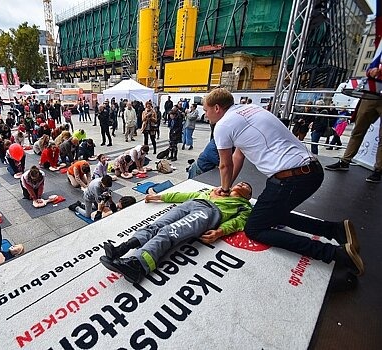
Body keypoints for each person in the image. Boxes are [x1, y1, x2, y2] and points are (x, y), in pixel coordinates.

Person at [203, 88, 363, 277]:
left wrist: (224, 188)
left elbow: (225, 164)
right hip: (311, 170)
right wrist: (227, 187)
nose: (205, 115)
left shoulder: (223, 125)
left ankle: (337, 254)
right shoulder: (251, 109)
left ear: (217, 108)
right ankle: (336, 230)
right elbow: (239, 156)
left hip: (291, 178)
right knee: (269, 215)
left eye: (206, 110)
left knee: (254, 229)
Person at [100, 182, 253, 283]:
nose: (241, 183)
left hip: (209, 212)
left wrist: (220, 231)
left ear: (248, 197)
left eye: (246, 186)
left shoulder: (244, 206)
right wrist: (159, 197)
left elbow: (238, 222)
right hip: (190, 204)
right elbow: (187, 196)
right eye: (240, 182)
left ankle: (138, 265)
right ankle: (122, 248)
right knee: (156, 225)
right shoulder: (216, 191)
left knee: (169, 232)